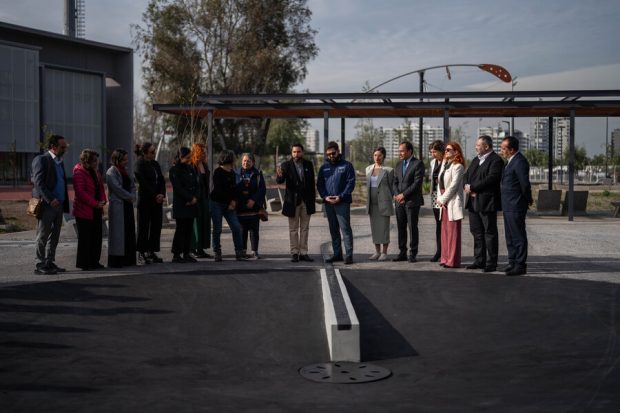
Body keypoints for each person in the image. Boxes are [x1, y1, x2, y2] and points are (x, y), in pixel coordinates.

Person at [463, 135, 504, 273]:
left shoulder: (496, 160)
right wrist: (467, 187)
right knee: (477, 232)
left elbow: (491, 179)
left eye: (478, 145)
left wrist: (473, 188)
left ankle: (491, 262)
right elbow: (466, 176)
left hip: (487, 202)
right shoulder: (476, 160)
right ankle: (479, 260)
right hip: (473, 202)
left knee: (489, 233)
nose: (476, 147)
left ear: (486, 146)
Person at [31, 134, 70, 275]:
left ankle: (49, 261)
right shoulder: (41, 160)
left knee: (55, 235)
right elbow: (38, 182)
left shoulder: (59, 161)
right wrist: (50, 199)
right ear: (53, 147)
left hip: (59, 205)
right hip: (48, 204)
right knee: (42, 234)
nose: (65, 149)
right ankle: (40, 263)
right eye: (62, 147)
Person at [276, 143, 316, 263]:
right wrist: (280, 175)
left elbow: (312, 184)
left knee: (305, 229)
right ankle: (294, 253)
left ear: (302, 152)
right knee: (293, 229)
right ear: (291, 153)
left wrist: (312, 200)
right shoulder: (286, 165)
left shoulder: (308, 164)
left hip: (306, 201)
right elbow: (280, 181)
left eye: (298, 152)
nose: (296, 154)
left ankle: (303, 253)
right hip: (292, 202)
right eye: (294, 152)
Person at [317, 141, 356, 264]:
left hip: (342, 202)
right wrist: (325, 197)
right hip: (329, 203)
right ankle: (337, 254)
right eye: (328, 154)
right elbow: (320, 184)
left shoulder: (347, 166)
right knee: (333, 230)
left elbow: (351, 183)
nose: (331, 156)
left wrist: (341, 196)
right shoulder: (324, 168)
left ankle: (348, 255)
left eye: (333, 153)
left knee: (345, 229)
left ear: (338, 151)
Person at [500, 136, 533, 276]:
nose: (501, 151)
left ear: (512, 149)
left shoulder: (520, 162)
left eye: (503, 148)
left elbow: (524, 184)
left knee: (518, 236)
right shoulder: (510, 162)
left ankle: (520, 265)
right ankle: (512, 261)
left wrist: (527, 200)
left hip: (516, 204)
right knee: (509, 236)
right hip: (508, 204)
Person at [72, 149, 106, 270]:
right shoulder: (79, 172)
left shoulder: (95, 172)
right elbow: (80, 192)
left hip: (96, 209)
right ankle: (85, 263)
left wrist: (102, 200)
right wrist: (94, 203)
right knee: (85, 239)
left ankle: (94, 261)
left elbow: (101, 187)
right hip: (84, 211)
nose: (96, 163)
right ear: (86, 161)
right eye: (94, 161)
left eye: (97, 160)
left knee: (96, 237)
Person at [210, 150, 246, 261]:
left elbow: (234, 189)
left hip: (229, 204)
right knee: (217, 229)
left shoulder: (232, 172)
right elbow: (220, 190)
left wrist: (234, 201)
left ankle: (239, 252)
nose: (234, 160)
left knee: (236, 227)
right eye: (233, 158)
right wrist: (229, 202)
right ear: (228, 159)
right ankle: (217, 251)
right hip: (217, 203)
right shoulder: (217, 172)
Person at [392, 141, 425, 263]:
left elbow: (417, 184)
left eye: (402, 150)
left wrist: (403, 195)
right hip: (399, 202)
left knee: (412, 227)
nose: (400, 153)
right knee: (401, 228)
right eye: (399, 150)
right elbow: (395, 182)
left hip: (411, 202)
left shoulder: (418, 164)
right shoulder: (398, 164)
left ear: (409, 151)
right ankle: (402, 252)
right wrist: (397, 195)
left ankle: (413, 253)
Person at [134, 142, 165, 264]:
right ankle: (141, 252)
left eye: (154, 151)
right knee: (144, 226)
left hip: (157, 201)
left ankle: (151, 251)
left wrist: (161, 194)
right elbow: (143, 183)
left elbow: (161, 180)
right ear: (145, 152)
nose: (153, 154)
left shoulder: (155, 164)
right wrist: (155, 195)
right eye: (152, 152)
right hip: (146, 200)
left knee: (156, 226)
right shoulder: (139, 164)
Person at [436, 142, 465, 268]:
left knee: (453, 233)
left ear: (456, 152)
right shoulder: (445, 165)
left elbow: (453, 187)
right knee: (445, 232)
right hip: (443, 201)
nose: (446, 152)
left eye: (448, 150)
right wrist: (440, 199)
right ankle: (445, 258)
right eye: (445, 150)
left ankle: (453, 260)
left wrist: (443, 199)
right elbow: (439, 184)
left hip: (451, 201)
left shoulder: (458, 166)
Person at [106, 148, 137, 268]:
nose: (126, 162)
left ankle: (129, 259)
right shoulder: (111, 172)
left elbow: (132, 185)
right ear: (117, 159)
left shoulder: (126, 171)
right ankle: (117, 260)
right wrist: (129, 196)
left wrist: (133, 196)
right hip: (118, 206)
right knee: (118, 234)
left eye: (126, 159)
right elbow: (116, 188)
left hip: (127, 205)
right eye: (124, 160)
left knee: (128, 231)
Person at [169, 147, 199, 263]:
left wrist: (195, 197)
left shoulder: (190, 169)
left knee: (189, 230)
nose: (189, 159)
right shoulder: (174, 170)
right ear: (181, 157)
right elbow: (178, 187)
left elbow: (197, 185)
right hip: (182, 204)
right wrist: (190, 198)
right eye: (187, 157)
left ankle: (186, 253)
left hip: (191, 204)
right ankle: (176, 254)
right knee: (180, 229)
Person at [364, 146, 394, 261]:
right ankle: (377, 251)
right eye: (375, 155)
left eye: (380, 155)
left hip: (384, 204)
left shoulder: (389, 170)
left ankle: (384, 252)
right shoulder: (368, 169)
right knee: (375, 228)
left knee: (384, 229)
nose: (377, 157)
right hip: (372, 204)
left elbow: (391, 187)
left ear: (384, 156)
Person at [235, 153, 266, 259]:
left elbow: (262, 189)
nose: (246, 162)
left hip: (254, 208)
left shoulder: (257, 174)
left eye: (248, 161)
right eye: (244, 160)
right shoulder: (236, 174)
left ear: (253, 162)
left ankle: (254, 251)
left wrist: (253, 200)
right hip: (240, 207)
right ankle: (243, 251)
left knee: (254, 230)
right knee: (242, 230)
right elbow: (234, 189)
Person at [190, 143, 213, 259]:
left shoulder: (204, 165)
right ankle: (193, 248)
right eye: (203, 152)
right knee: (196, 224)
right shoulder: (192, 165)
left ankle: (201, 248)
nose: (205, 154)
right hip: (196, 198)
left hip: (205, 198)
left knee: (205, 223)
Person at [428, 140, 445, 262]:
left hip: (444, 195)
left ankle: (445, 251)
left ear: (441, 151)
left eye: (435, 152)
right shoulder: (433, 162)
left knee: (445, 224)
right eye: (431, 152)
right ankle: (439, 251)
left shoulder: (447, 162)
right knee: (438, 224)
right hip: (435, 196)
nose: (433, 154)